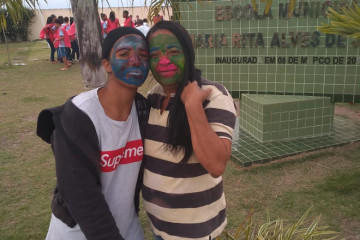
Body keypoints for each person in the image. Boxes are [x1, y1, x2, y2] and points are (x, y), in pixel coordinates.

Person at [37, 27, 150, 240]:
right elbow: (81, 197)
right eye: (124, 54)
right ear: (106, 64)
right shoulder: (79, 116)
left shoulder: (144, 111)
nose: (135, 60)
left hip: (128, 227)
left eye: (143, 55)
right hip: (78, 232)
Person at [142, 21, 237, 240]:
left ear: (188, 53)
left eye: (173, 52)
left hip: (196, 232)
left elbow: (216, 164)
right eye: (155, 55)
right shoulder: (153, 96)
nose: (163, 61)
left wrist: (193, 105)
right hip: (159, 228)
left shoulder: (213, 95)